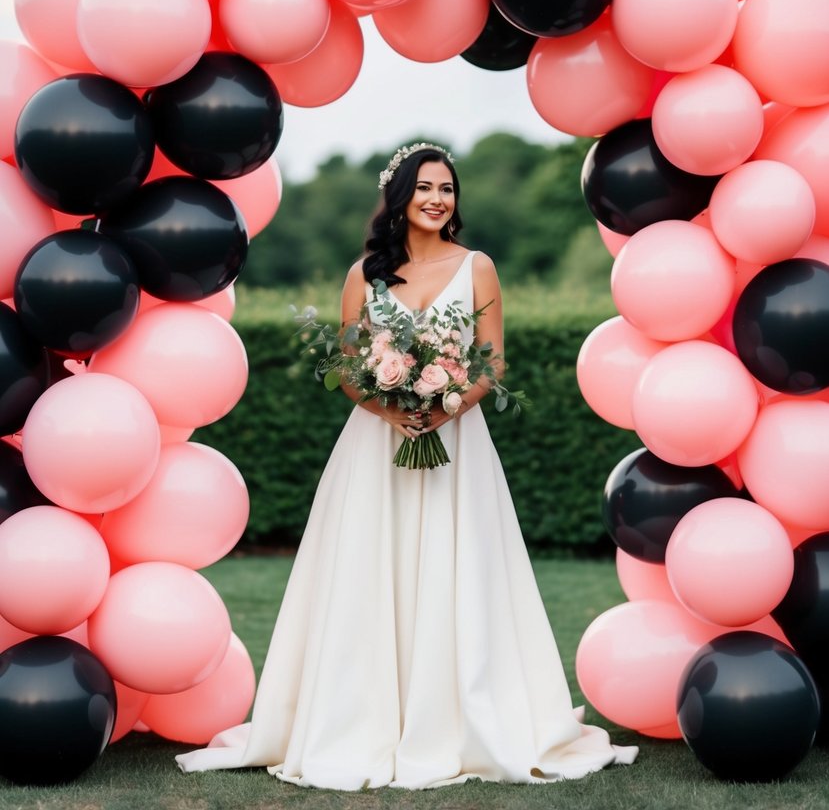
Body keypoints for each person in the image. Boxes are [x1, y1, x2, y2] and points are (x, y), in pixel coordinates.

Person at [177, 142, 637, 788]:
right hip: (375, 448)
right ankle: (362, 717)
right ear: (400, 198)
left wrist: (445, 406)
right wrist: (389, 408)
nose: (436, 198)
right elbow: (345, 366)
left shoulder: (477, 267)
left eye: (446, 188)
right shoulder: (363, 275)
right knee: (371, 570)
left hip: (458, 448)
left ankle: (462, 715)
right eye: (424, 187)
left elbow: (493, 362)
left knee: (460, 569)